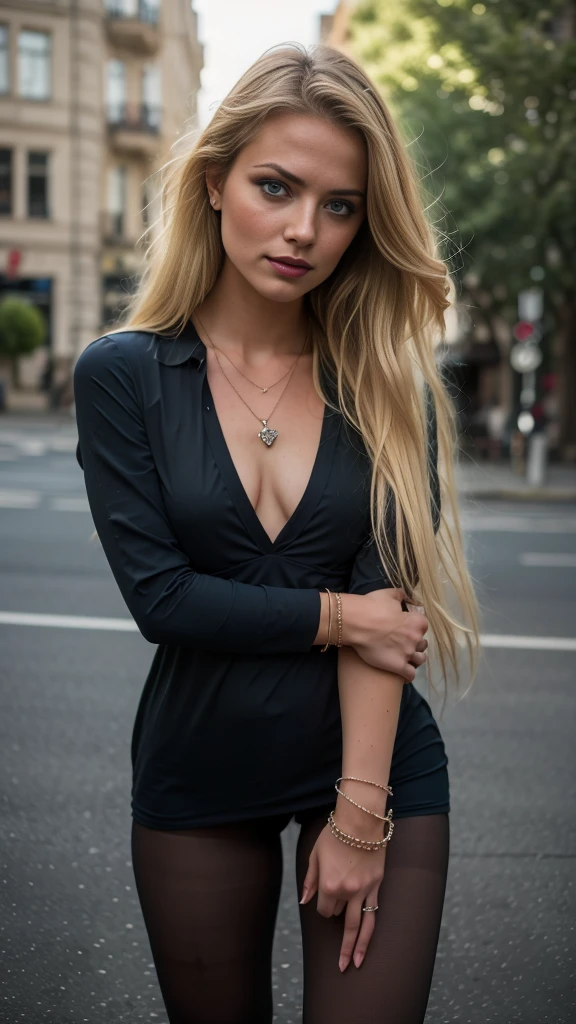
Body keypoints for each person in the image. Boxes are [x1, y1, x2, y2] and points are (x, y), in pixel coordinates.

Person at [73, 43, 478, 1024]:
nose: (305, 229)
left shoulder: (385, 378)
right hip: (199, 761)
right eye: (276, 186)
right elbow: (163, 599)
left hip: (375, 768)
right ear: (215, 182)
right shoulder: (121, 374)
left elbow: (398, 613)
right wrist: (343, 616)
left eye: (339, 205)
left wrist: (360, 812)